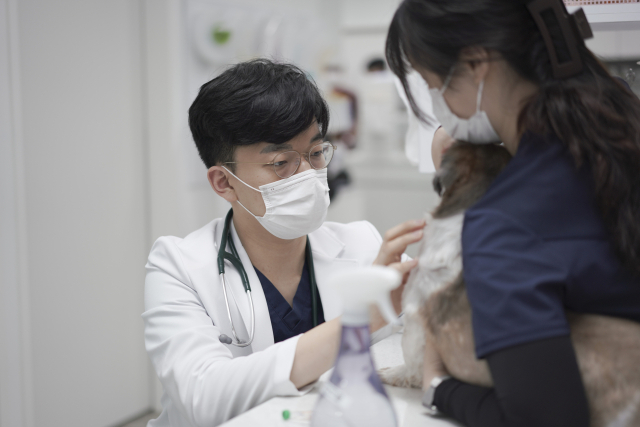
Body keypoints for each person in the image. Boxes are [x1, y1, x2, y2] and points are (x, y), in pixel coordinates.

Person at [386, 0, 640, 426]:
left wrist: (439, 387)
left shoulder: (507, 221)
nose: (438, 103)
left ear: (476, 63)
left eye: (435, 84)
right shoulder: (621, 133)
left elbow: (546, 418)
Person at [142, 59, 422, 427]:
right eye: (281, 162)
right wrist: (361, 318)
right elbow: (205, 399)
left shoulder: (362, 244)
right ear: (224, 183)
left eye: (316, 152)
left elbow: (406, 352)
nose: (308, 174)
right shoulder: (178, 266)